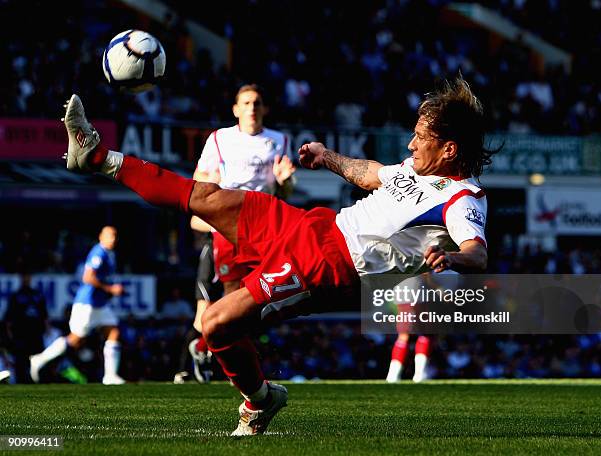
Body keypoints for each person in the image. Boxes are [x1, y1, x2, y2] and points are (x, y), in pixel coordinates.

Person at [61, 76, 494, 434]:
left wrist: (452, 259)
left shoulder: (463, 199)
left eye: (420, 139)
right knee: (208, 197)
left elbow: (477, 253)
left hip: (330, 268)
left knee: (215, 322)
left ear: (449, 149)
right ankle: (96, 155)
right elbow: (369, 174)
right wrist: (327, 157)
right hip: (313, 225)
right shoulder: (413, 169)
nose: (411, 145)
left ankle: (260, 400)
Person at [174, 84, 297, 384]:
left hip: (262, 228)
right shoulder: (220, 139)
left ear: (264, 108)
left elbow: (285, 192)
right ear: (236, 109)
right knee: (224, 303)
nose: (252, 108)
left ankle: (209, 358)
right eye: (246, 103)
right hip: (226, 227)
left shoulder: (279, 141)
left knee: (254, 303)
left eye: (257, 102)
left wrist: (285, 181)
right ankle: (194, 365)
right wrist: (210, 186)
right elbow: (198, 183)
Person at [29, 226, 126, 385]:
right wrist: (110, 289)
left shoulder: (111, 254)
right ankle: (39, 359)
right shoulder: (98, 252)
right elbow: (87, 277)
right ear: (101, 237)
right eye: (110, 236)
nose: (113, 239)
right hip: (87, 303)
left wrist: (110, 290)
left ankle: (110, 376)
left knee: (113, 331)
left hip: (100, 304)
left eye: (115, 235)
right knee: (75, 340)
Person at [5, 271, 48, 383]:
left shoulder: (37, 295)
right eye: (24, 276)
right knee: (20, 363)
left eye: (27, 276)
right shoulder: (16, 296)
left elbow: (44, 316)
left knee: (38, 360)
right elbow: (8, 319)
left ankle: (39, 382)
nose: (26, 279)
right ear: (21, 278)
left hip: (36, 334)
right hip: (21, 335)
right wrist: (11, 335)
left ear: (30, 278)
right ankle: (21, 383)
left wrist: (45, 330)